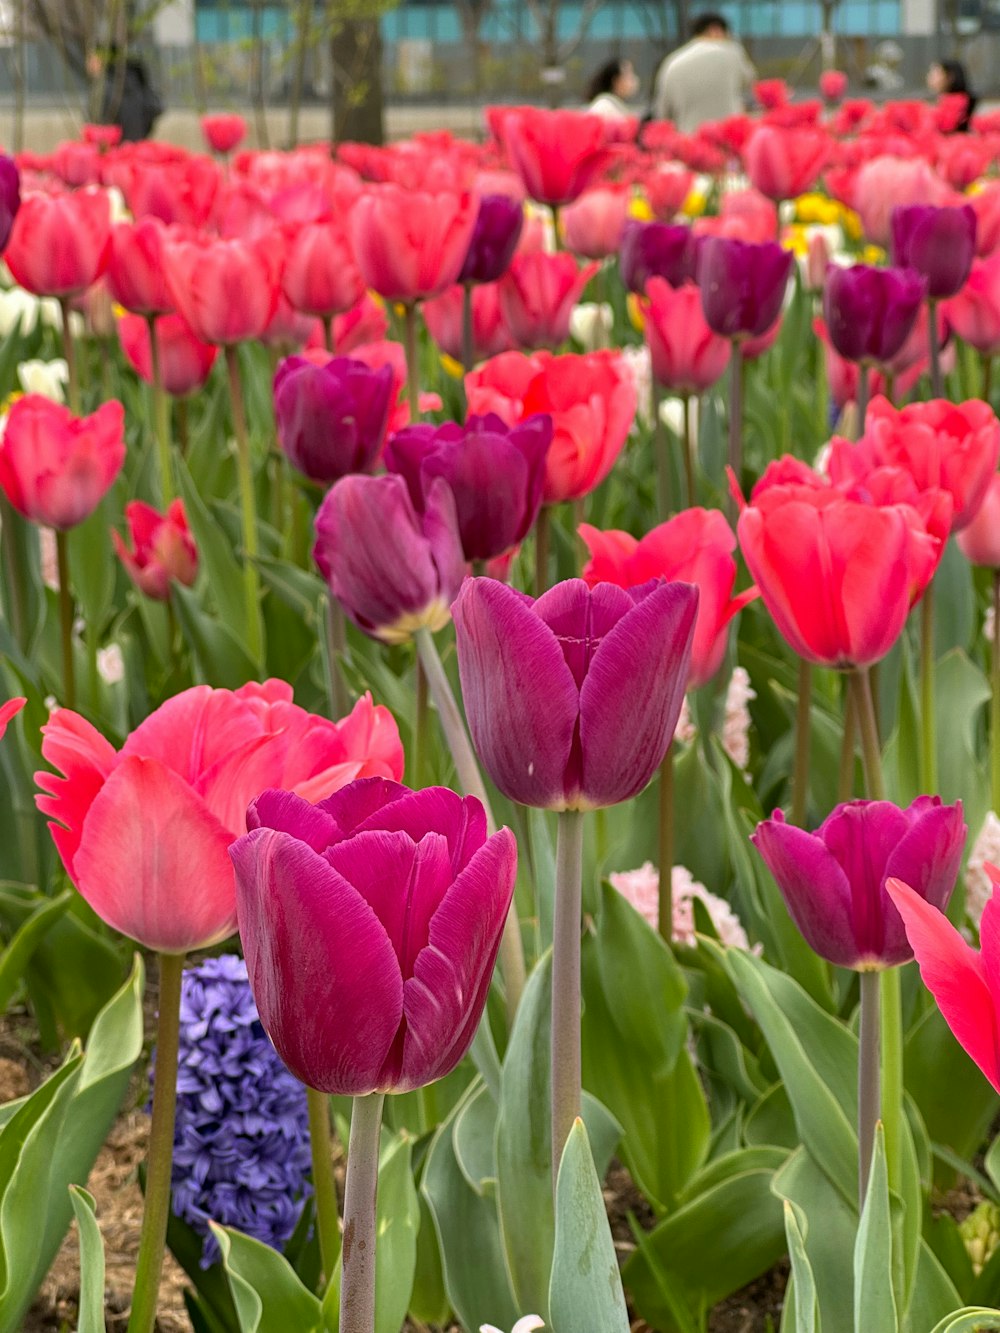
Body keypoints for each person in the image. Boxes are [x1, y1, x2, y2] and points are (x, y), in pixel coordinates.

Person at [652, 12, 756, 133]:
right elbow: (750, 80)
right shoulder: (732, 52)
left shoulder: (671, 62)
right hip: (726, 140)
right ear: (715, 30)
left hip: (687, 141)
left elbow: (662, 113)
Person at [90, 45, 163, 142]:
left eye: (93, 59)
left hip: (116, 148)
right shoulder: (135, 79)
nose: (89, 64)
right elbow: (154, 107)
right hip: (138, 144)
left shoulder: (107, 87)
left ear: (103, 60)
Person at [927, 58, 977, 132]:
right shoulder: (946, 99)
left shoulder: (955, 101)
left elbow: (945, 128)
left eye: (936, 74)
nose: (930, 78)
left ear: (950, 77)